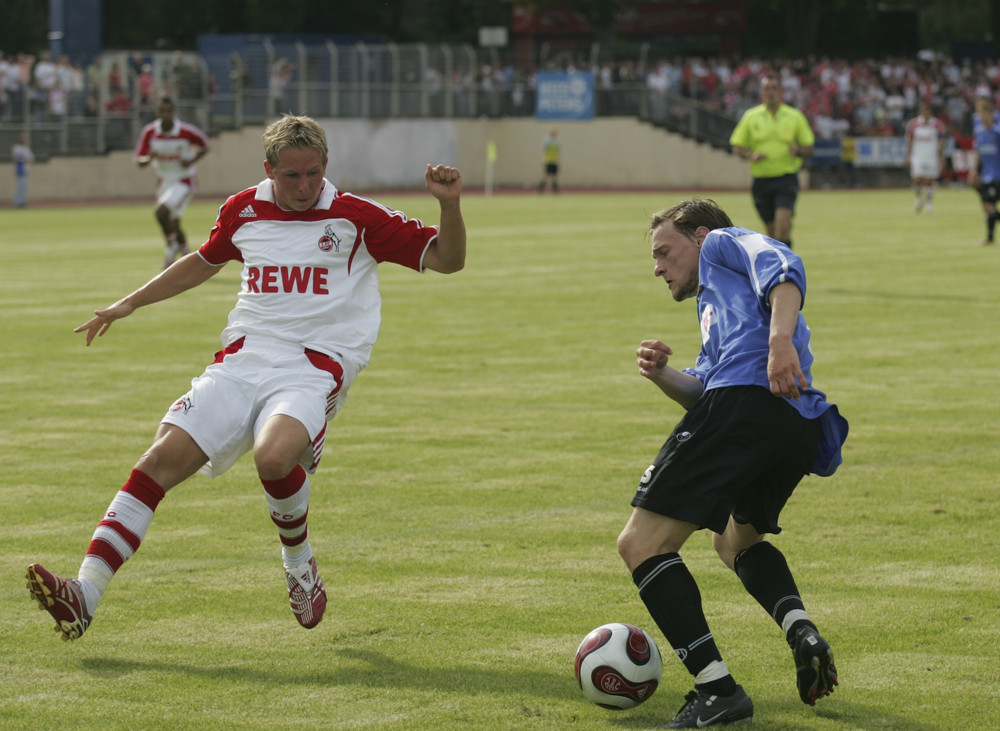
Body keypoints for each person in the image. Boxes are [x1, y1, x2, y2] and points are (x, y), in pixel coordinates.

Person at [26, 114, 466, 642]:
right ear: (269, 170)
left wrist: (450, 204)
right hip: (242, 359)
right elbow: (202, 261)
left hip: (313, 365)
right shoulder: (243, 209)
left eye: (314, 174)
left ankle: (298, 564)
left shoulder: (357, 217)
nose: (304, 187)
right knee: (157, 461)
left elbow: (448, 260)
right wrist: (129, 303)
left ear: (326, 166)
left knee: (273, 456)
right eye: (291, 176)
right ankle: (85, 594)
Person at [618, 198, 848, 728]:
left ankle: (716, 688)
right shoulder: (716, 302)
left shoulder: (722, 244)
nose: (657, 266)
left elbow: (785, 264)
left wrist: (779, 341)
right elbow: (703, 390)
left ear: (699, 237)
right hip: (790, 423)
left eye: (663, 251)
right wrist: (663, 374)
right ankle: (801, 632)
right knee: (733, 541)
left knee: (641, 544)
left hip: (750, 404)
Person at [729, 76, 814, 247]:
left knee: (782, 225)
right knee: (773, 233)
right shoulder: (751, 116)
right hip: (761, 180)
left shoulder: (794, 115)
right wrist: (750, 155)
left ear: (781, 92)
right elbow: (737, 145)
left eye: (774, 88)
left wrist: (797, 151)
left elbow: (809, 147)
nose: (771, 92)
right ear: (762, 93)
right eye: (767, 88)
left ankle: (787, 270)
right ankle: (783, 263)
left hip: (786, 178)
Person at [134, 96, 212, 268]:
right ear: (157, 112)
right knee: (173, 222)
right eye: (162, 111)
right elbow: (139, 160)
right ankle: (186, 254)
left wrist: (191, 161)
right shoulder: (150, 132)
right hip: (164, 182)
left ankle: (171, 249)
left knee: (161, 213)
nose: (165, 114)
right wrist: (149, 158)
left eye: (168, 111)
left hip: (184, 181)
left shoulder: (185, 131)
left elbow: (205, 145)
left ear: (174, 112)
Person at [967, 96, 1000, 245]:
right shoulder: (979, 133)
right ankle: (990, 238)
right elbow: (977, 152)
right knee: (988, 207)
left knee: (989, 206)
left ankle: (990, 238)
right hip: (986, 175)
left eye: (984, 113)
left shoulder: (997, 132)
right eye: (979, 114)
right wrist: (974, 171)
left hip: (997, 176)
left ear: (991, 115)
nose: (981, 117)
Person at [904, 100, 946, 214]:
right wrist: (907, 156)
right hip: (917, 155)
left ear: (930, 111)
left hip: (931, 156)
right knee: (916, 180)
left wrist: (942, 156)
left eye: (927, 110)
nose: (925, 112)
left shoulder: (937, 124)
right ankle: (919, 198)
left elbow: (941, 142)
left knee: (929, 180)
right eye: (923, 110)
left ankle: (929, 204)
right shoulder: (913, 124)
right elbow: (910, 141)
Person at [11, 132, 34, 207]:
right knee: (19, 186)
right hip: (19, 169)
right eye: (22, 138)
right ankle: (17, 202)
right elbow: (17, 157)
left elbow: (32, 157)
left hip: (26, 169)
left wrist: (27, 159)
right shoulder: (16, 147)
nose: (23, 140)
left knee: (24, 186)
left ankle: (22, 201)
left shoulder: (26, 148)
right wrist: (25, 159)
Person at [536, 127, 560, 194]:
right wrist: (544, 159)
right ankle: (540, 190)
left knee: (554, 176)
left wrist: (558, 160)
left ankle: (555, 191)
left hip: (554, 161)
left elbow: (558, 152)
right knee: (545, 176)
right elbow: (544, 151)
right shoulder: (547, 140)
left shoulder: (557, 141)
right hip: (548, 160)